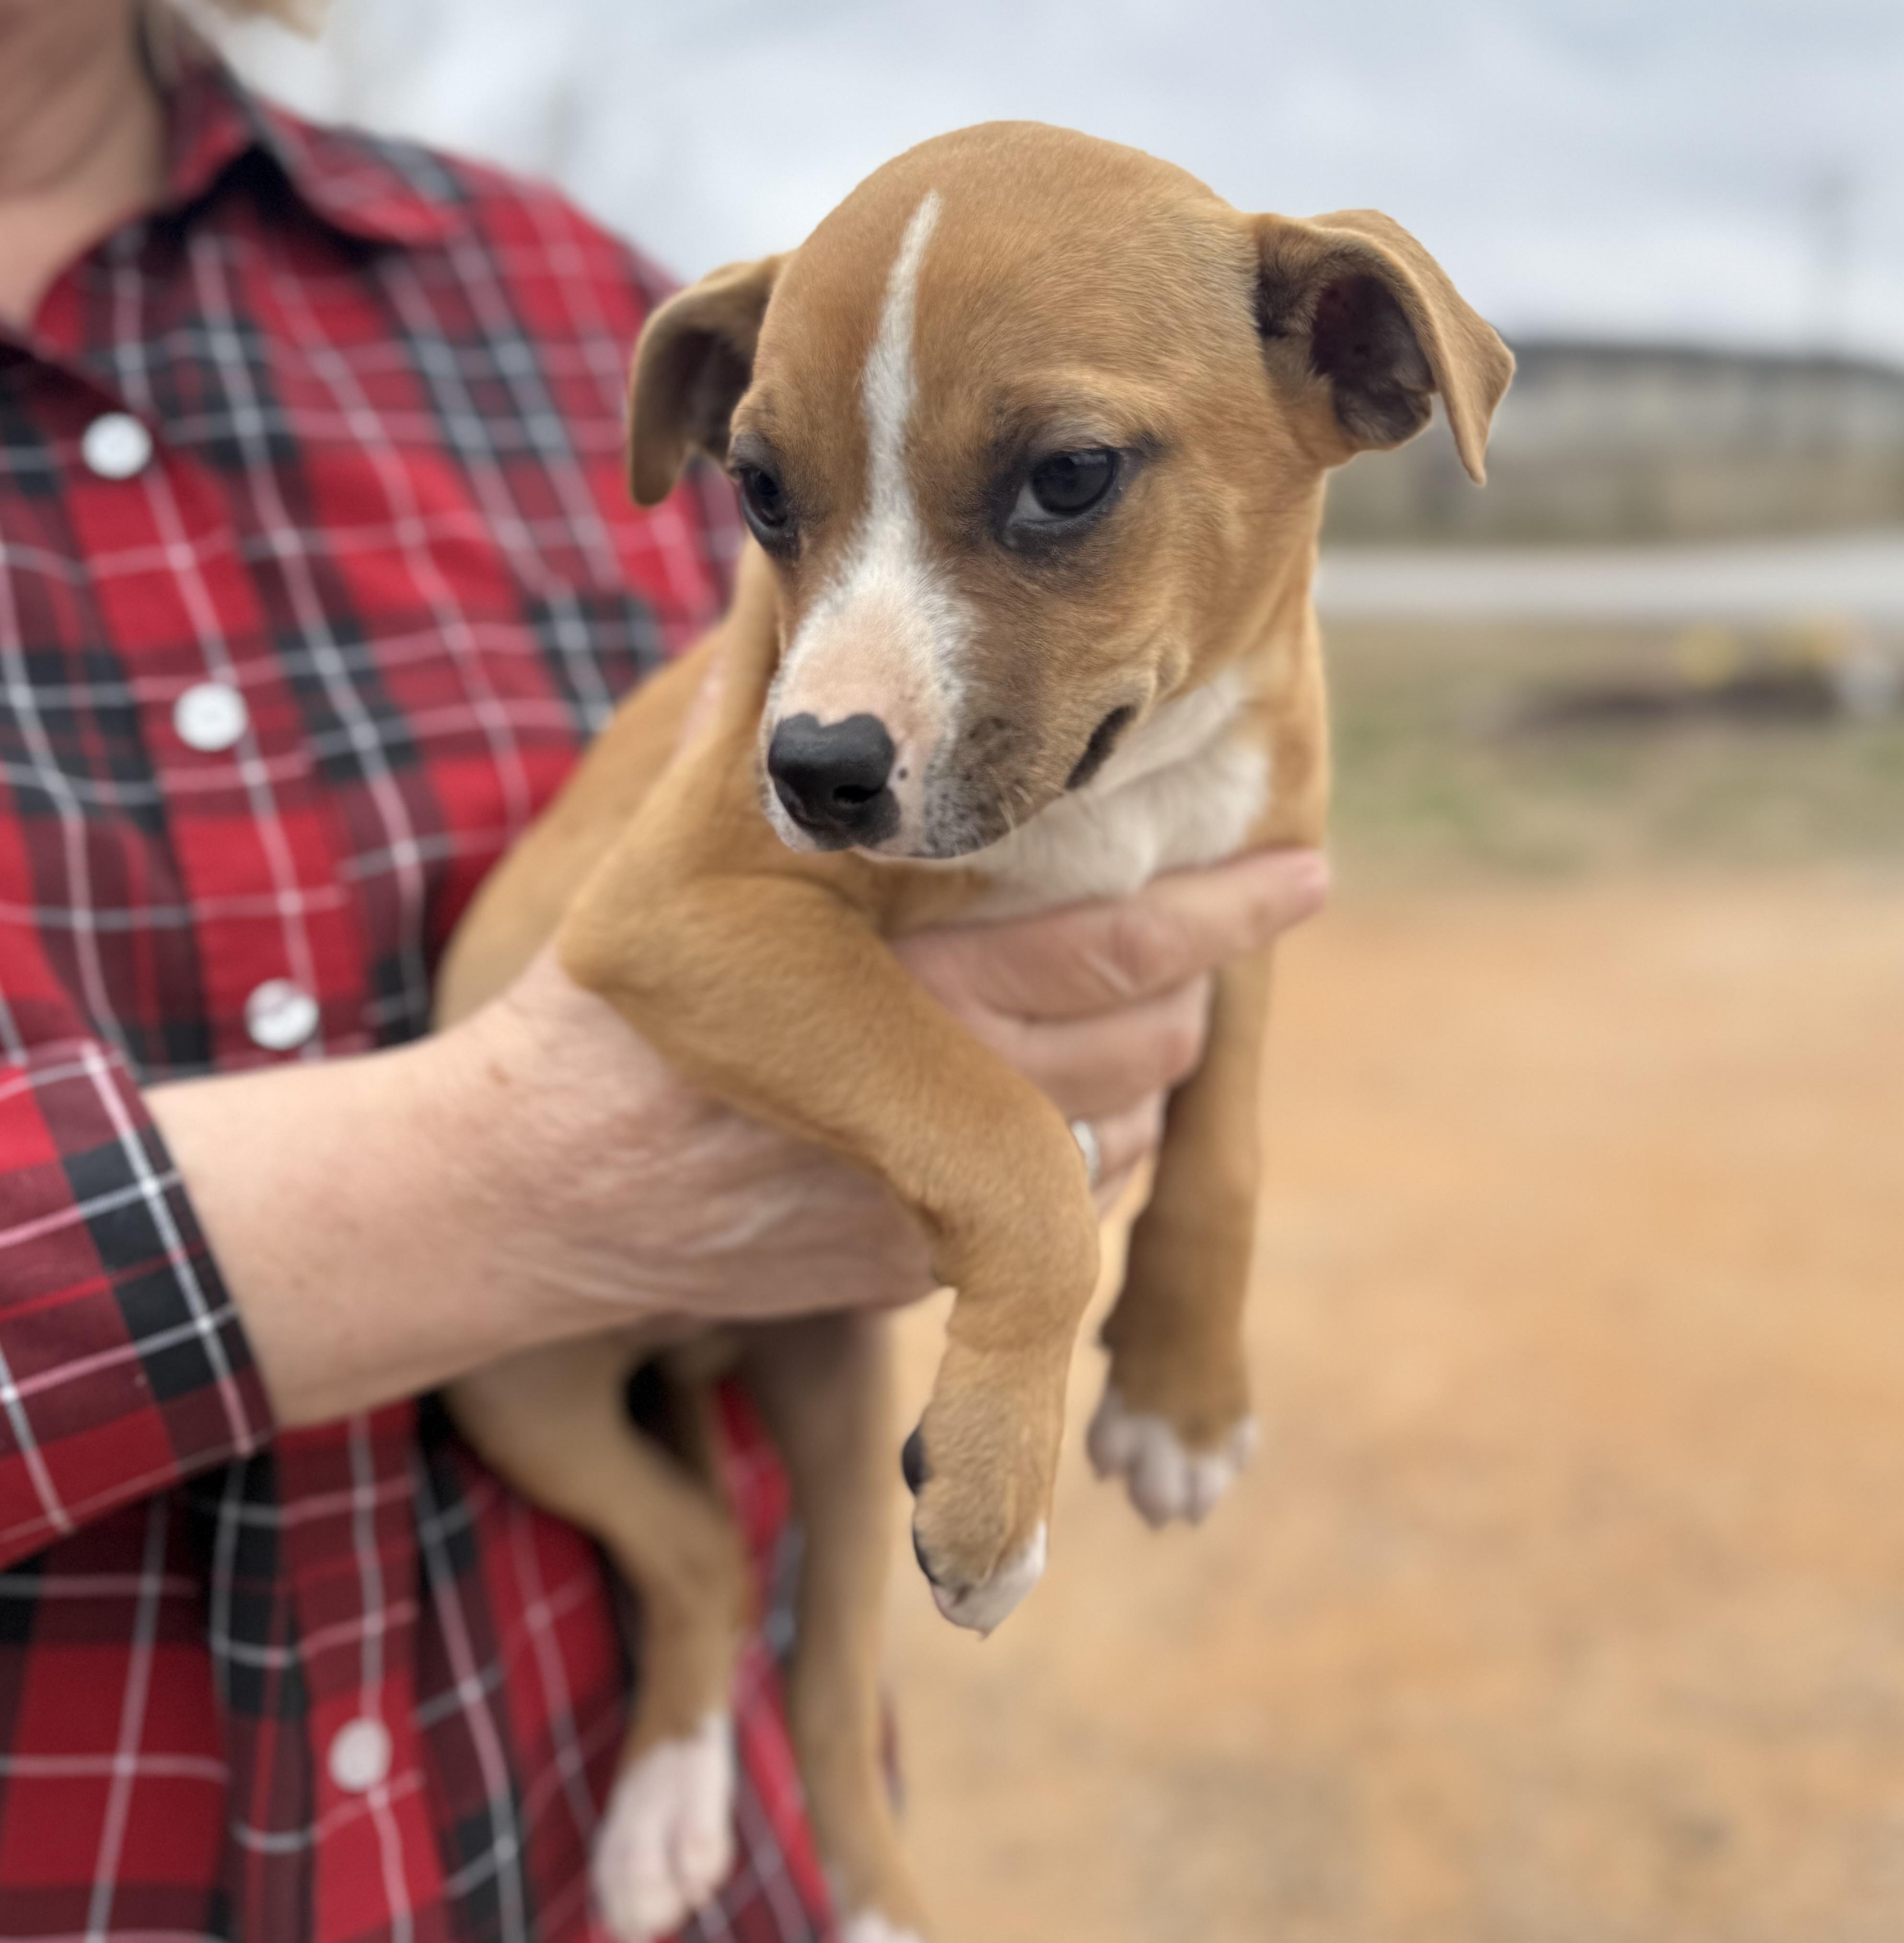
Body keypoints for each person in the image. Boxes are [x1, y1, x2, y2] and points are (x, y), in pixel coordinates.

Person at [0, 2, 1328, 1937]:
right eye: (772, 499)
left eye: (1057, 483)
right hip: (126, 1822)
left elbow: (1214, 896)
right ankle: (711, 1658)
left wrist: (1190, 1254)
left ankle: (838, 1843)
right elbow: (687, 918)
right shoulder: (722, 348)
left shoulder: (557, 297)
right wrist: (510, 1189)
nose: (834, 677)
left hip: (679, 1830)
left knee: (836, 1450)